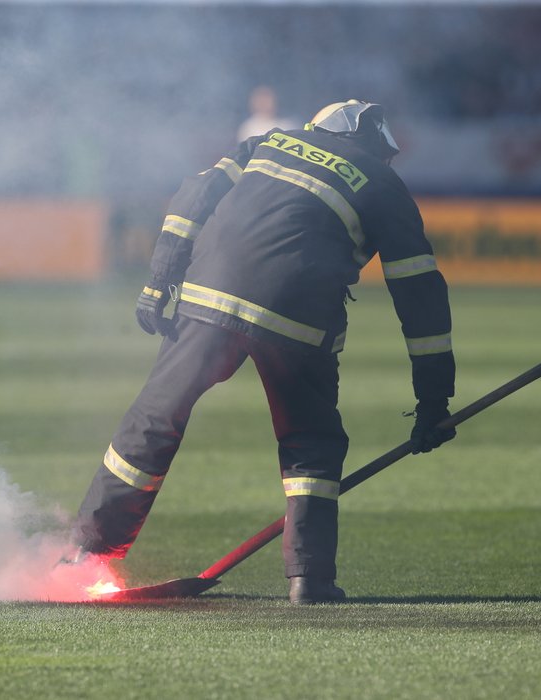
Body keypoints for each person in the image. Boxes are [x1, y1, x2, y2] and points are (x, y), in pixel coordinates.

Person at [69, 100, 457, 604]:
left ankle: (86, 556)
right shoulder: (384, 186)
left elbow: (193, 195)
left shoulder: (268, 143)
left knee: (154, 419)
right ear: (371, 148)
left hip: (209, 297)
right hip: (300, 320)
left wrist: (159, 280)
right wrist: (433, 402)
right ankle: (309, 580)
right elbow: (420, 292)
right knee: (311, 441)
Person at [236, 85, 300, 142]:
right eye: (261, 99)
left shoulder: (288, 126)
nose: (264, 103)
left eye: (267, 98)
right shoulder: (248, 127)